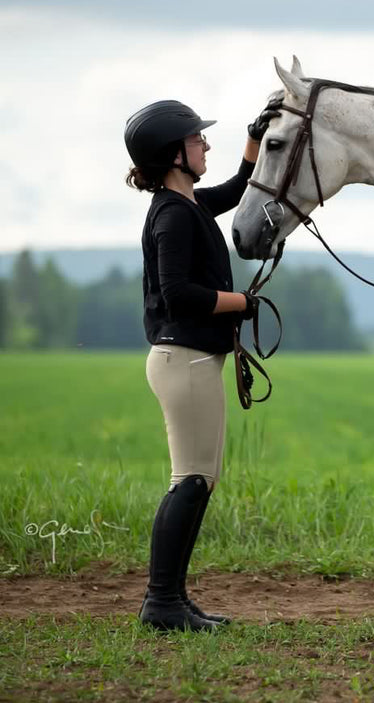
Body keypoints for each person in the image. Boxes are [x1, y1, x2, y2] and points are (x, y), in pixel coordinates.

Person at [124, 98, 279, 631]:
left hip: (192, 360)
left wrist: (255, 140)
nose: (206, 144)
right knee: (190, 480)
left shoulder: (187, 205)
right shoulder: (172, 215)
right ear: (175, 155)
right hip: (183, 360)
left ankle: (172, 599)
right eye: (198, 139)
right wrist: (242, 303)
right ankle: (161, 602)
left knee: (199, 481)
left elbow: (238, 188)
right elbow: (178, 293)